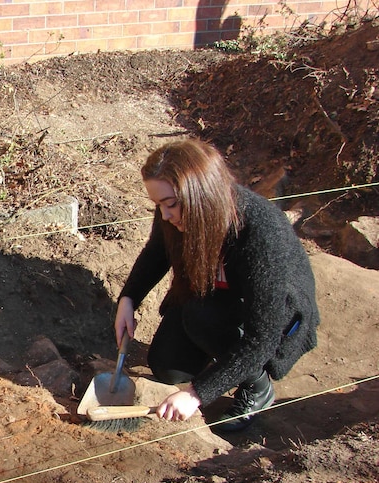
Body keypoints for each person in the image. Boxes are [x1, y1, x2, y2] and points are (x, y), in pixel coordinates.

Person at [114, 139, 319, 432]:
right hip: (217, 299)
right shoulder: (174, 216)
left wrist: (196, 394)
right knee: (167, 366)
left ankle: (258, 387)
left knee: (201, 318)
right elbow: (157, 252)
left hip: (274, 322)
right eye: (158, 206)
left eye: (170, 205)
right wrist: (129, 299)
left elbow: (264, 336)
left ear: (200, 196)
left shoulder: (260, 232)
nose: (165, 215)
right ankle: (220, 350)